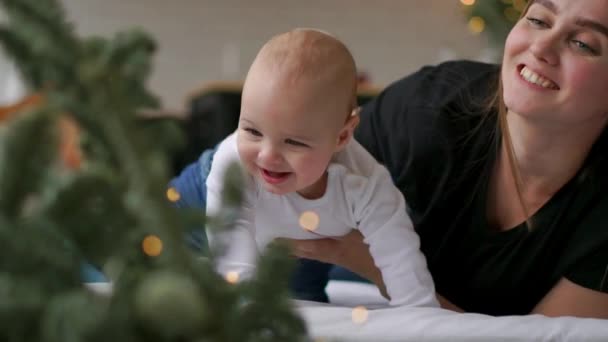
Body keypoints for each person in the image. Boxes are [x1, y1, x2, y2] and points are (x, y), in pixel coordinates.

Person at [171, 0, 608, 318]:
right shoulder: (431, 114)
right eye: (536, 18)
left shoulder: (366, 182)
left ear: (346, 132)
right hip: (247, 191)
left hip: (321, 236)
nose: (542, 47)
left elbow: (543, 334)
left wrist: (416, 310)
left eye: (584, 44)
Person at [202, 28, 438, 308]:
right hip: (213, 205)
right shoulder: (234, 163)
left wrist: (422, 316)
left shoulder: (364, 183)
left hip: (306, 243)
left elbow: (401, 260)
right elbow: (231, 243)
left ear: (341, 137)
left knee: (302, 305)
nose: (267, 155)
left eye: (292, 142)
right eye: (252, 131)